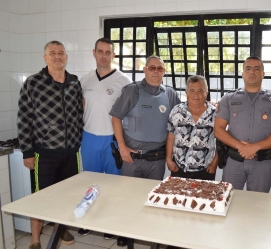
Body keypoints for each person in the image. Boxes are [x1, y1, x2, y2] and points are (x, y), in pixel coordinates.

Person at [17, 41, 83, 249]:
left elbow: (79, 113)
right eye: (52, 53)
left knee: (67, 195)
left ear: (66, 57)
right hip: (43, 153)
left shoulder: (74, 82)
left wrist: (76, 140)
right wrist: (28, 152)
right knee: (40, 198)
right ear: (45, 58)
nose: (57, 56)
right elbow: (24, 118)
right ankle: (35, 240)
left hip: (70, 152)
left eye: (61, 53)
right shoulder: (33, 83)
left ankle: (60, 229)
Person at [77, 38, 131, 244]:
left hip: (113, 140)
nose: (104, 55)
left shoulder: (123, 81)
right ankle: (89, 220)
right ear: (94, 53)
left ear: (113, 55)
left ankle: (110, 224)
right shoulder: (85, 80)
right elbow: (80, 107)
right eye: (100, 51)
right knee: (90, 182)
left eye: (108, 52)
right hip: (89, 137)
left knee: (113, 183)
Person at [214, 56, 271, 191]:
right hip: (234, 162)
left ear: (263, 74)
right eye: (248, 69)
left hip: (261, 163)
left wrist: (255, 147)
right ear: (242, 74)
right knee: (229, 200)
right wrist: (242, 147)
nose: (252, 72)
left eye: (256, 69)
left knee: (258, 204)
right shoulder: (229, 98)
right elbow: (218, 129)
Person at [110, 55, 181, 180]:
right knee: (129, 196)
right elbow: (116, 118)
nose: (156, 71)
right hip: (132, 158)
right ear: (145, 70)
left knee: (152, 197)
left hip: (157, 161)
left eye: (160, 69)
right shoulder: (132, 91)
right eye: (152, 67)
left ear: (164, 72)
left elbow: (182, 116)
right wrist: (122, 148)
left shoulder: (170, 94)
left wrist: (209, 106)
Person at [166, 75, 218, 180]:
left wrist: (215, 163)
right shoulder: (176, 111)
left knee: (204, 196)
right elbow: (171, 136)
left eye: (200, 91)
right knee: (177, 196)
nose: (196, 95)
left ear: (206, 93)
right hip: (179, 168)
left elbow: (221, 141)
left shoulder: (215, 114)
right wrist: (168, 159)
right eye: (192, 91)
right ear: (186, 92)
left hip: (205, 170)